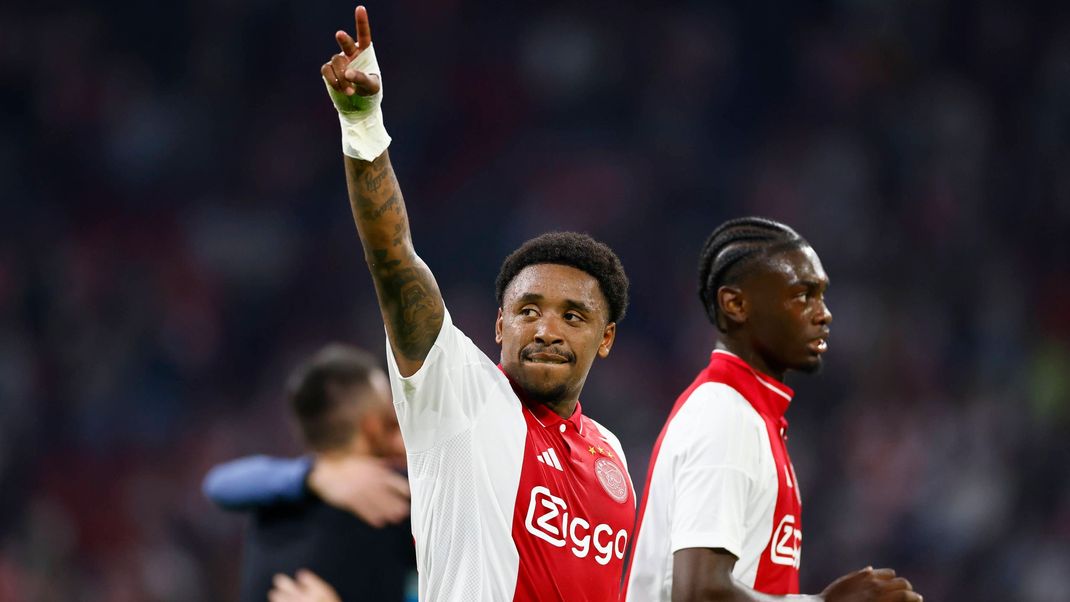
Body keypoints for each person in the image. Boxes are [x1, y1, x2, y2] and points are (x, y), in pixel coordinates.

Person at [319, 6, 635, 600]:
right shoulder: (456, 393)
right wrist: (362, 122)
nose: (546, 328)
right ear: (498, 323)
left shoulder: (612, 454)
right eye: (528, 309)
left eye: (573, 316)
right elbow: (394, 258)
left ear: (607, 337)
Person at [623, 218, 922, 601]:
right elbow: (698, 593)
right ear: (736, 304)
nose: (824, 314)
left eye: (823, 296)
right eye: (803, 296)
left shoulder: (750, 417)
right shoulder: (724, 416)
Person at [202, 343, 415, 602]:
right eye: (391, 422)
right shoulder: (401, 500)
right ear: (371, 428)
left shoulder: (270, 502)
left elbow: (217, 484)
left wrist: (313, 476)